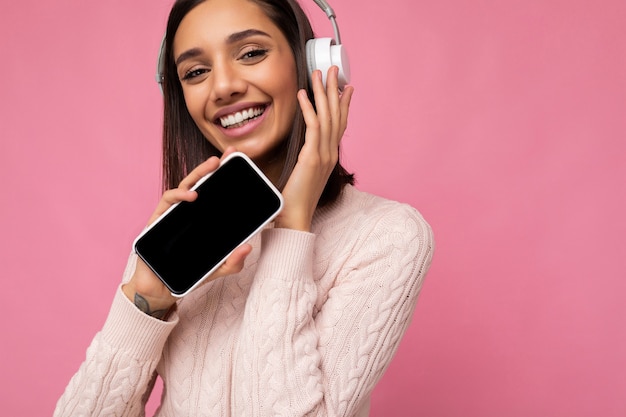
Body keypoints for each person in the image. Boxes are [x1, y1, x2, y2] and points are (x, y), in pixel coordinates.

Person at [54, 0, 434, 415]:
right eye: (196, 72)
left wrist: (290, 227)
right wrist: (147, 299)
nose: (223, 87)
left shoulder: (388, 236)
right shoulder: (178, 231)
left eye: (251, 53)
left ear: (312, 63)